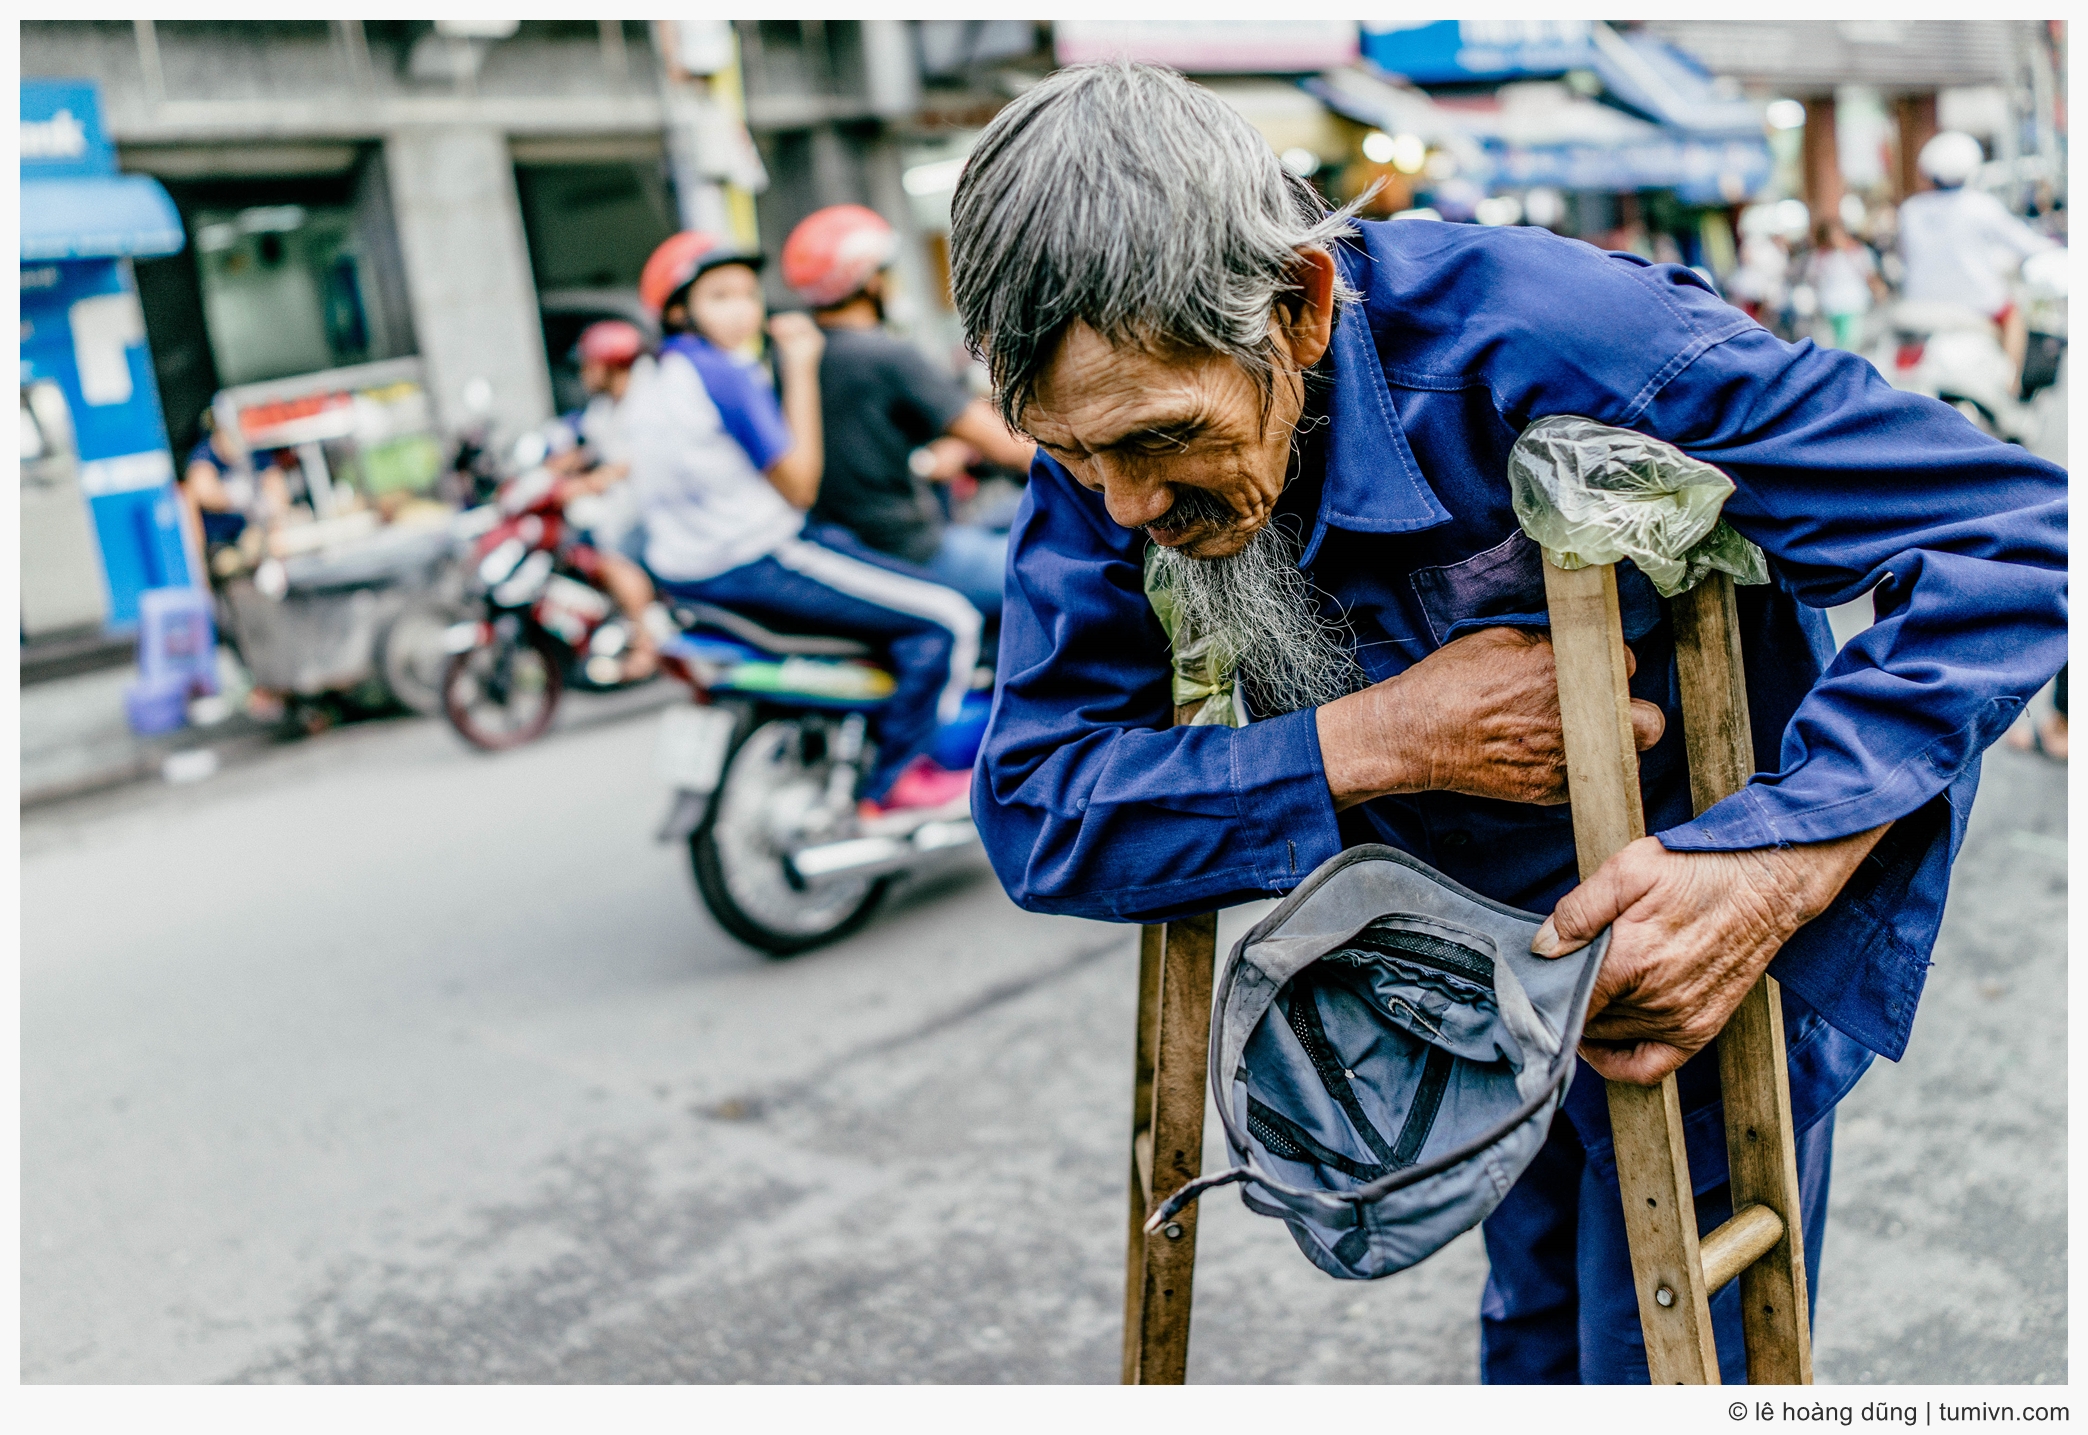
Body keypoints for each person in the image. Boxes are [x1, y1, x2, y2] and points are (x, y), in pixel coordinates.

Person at [949, 64, 2066, 1383]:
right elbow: (1037, 806)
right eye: (1075, 457)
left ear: (1299, 311)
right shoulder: (1104, 435)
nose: (1121, 504)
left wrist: (1776, 866)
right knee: (1531, 1342)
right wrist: (1384, 738)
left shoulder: (1564, 337)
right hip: (1456, 978)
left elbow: (2025, 535)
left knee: (1658, 1359)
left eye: (1158, 439)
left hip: (1679, 940)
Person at [621, 230, 984, 815]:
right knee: (948, 619)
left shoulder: (653, 378)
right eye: (720, 296)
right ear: (679, 310)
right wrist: (800, 365)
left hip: (687, 570)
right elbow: (799, 485)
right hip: (757, 558)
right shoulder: (726, 375)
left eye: (747, 294)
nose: (743, 309)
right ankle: (899, 778)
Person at [777, 204, 1036, 617]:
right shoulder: (884, 354)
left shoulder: (796, 355)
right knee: (1062, 574)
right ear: (871, 282)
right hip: (910, 550)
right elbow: (1010, 448)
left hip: (846, 548)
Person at [547, 319, 661, 680]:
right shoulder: (606, 404)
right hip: (627, 506)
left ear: (610, 363)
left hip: (659, 508)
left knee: (613, 559)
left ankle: (648, 646)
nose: (582, 373)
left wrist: (591, 482)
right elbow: (587, 447)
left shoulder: (649, 397)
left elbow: (629, 462)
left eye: (587, 364)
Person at [1898, 130, 2059, 383]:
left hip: (1918, 305)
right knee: (2014, 316)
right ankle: (2011, 386)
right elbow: (2026, 244)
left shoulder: (1910, 210)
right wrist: (2055, 246)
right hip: (1978, 305)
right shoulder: (1979, 205)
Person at [1803, 217, 1884, 351]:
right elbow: (1812, 279)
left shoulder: (1857, 251)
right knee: (1837, 342)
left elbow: (1868, 273)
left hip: (1853, 302)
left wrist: (1877, 289)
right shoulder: (1820, 256)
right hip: (1831, 305)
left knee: (1849, 342)